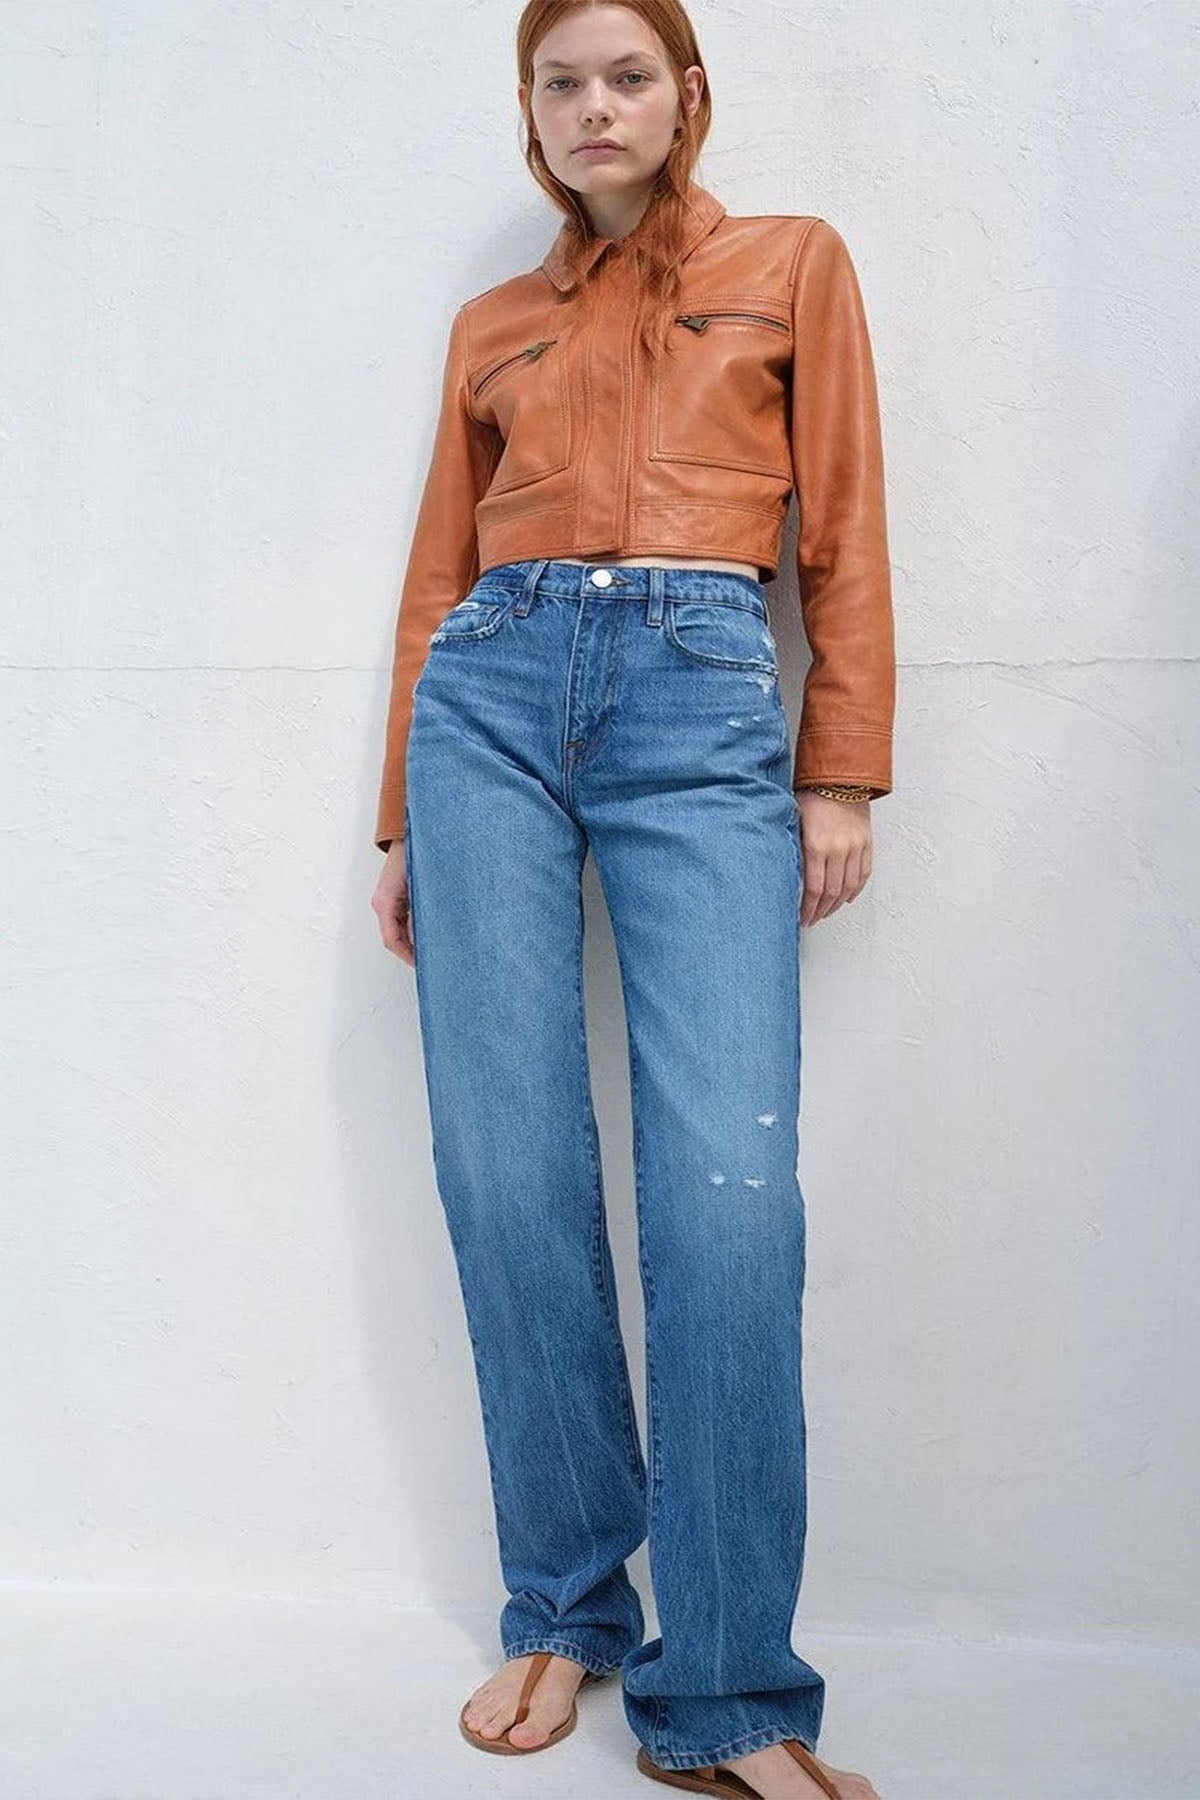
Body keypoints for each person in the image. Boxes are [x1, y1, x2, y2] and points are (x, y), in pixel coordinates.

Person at [369, 4, 894, 1796]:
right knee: (505, 1167)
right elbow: (440, 578)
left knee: (729, 1197)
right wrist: (403, 822)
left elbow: (844, 532)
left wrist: (840, 766)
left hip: (701, 689)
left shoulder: (790, 265)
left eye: (627, 76)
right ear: (531, 114)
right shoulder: (492, 323)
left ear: (687, 97)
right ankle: (565, 1605)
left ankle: (730, 1688)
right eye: (560, 82)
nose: (594, 107)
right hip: (488, 709)